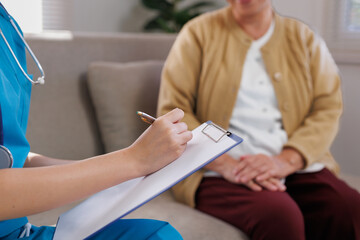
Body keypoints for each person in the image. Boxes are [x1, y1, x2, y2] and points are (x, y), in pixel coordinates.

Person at [157, 0, 360, 239]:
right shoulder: (197, 33)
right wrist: (225, 164)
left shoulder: (304, 37)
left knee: (348, 207)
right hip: (218, 168)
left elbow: (327, 108)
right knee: (280, 215)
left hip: (292, 161)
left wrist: (286, 161)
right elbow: (174, 110)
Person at [0, 2, 192, 239]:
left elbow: (15, 159)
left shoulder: (5, 24)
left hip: (16, 231)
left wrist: (126, 168)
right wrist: (132, 161)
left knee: (155, 234)